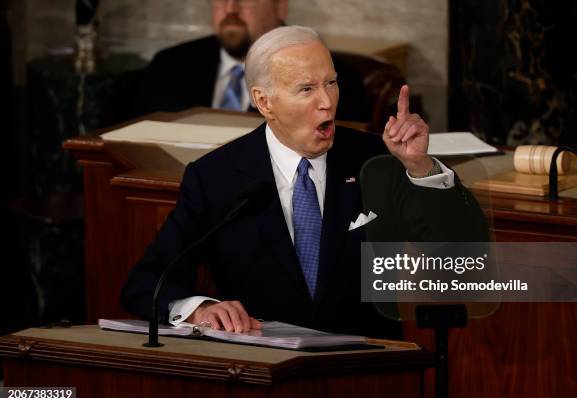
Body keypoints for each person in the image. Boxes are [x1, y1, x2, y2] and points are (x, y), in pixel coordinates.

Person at [121, 26, 487, 339]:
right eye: (307, 89)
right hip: (263, 374)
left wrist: (420, 168)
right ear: (264, 102)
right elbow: (146, 282)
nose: (327, 101)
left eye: (331, 83)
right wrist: (199, 309)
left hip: (367, 371)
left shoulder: (377, 159)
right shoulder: (216, 177)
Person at [137, 0, 370, 122]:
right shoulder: (168, 66)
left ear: (280, 6)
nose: (231, 9)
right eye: (220, 0)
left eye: (244, 0)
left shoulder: (332, 79)